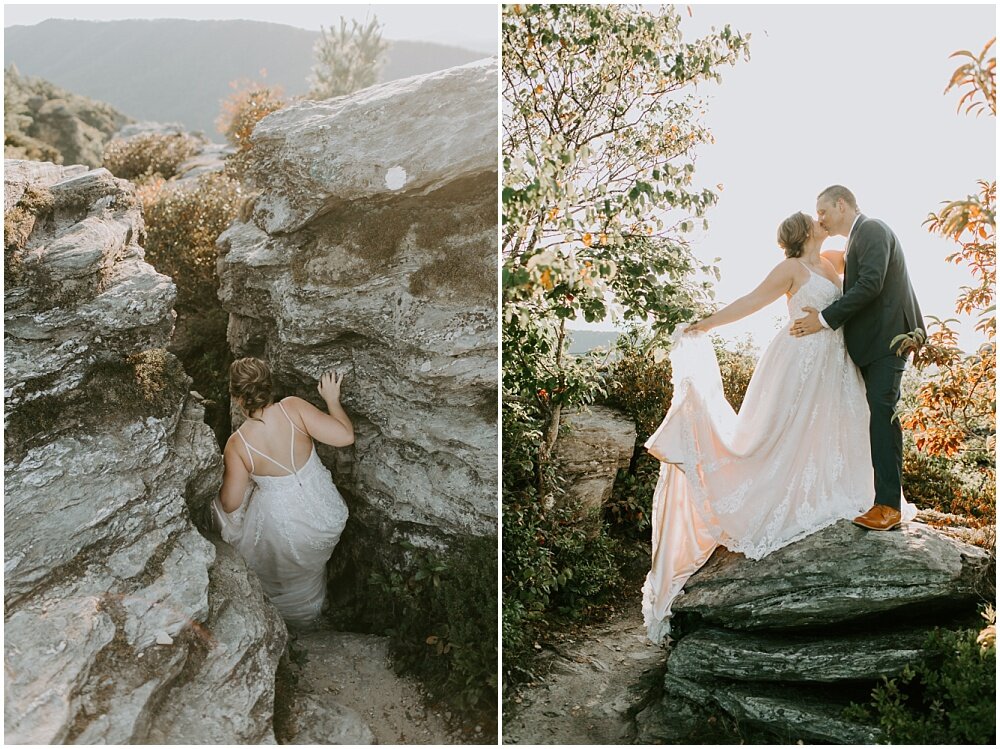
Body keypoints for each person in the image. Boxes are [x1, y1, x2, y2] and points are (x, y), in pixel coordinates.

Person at [641, 209, 918, 644]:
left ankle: (852, 492)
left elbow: (872, 275)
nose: (821, 220)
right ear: (803, 232)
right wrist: (703, 324)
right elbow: (750, 301)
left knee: (841, 426)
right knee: (779, 436)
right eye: (815, 218)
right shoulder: (789, 269)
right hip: (799, 360)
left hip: (836, 363)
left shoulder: (832, 260)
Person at [791, 185, 925, 531]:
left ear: (841, 204)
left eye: (822, 211)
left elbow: (870, 285)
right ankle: (871, 496)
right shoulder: (855, 240)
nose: (819, 218)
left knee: (883, 411)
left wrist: (822, 320)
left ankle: (887, 507)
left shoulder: (873, 229)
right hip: (873, 341)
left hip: (890, 338)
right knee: (874, 413)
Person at [213, 357, 354, 626]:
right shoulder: (294, 408)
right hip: (323, 510)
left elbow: (230, 503)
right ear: (269, 385)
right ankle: (314, 614)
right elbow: (345, 436)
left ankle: (286, 624)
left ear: (236, 397)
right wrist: (332, 399)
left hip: (283, 522)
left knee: (287, 574)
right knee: (310, 570)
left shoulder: (238, 444)